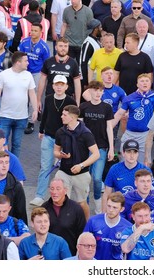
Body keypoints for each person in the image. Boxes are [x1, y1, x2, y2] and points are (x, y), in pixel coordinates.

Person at [30, 75, 76, 207]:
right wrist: (41, 130)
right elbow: (45, 115)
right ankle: (39, 196)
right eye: (57, 84)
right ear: (53, 86)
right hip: (49, 137)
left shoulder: (70, 101)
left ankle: (63, 197)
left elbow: (73, 119)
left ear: (66, 87)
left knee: (63, 169)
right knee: (45, 167)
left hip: (65, 139)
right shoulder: (49, 98)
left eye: (62, 85)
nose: (59, 87)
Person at [53, 105, 100, 220]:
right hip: (64, 171)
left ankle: (86, 224)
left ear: (73, 117)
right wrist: (60, 155)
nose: (61, 117)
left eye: (64, 115)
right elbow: (56, 151)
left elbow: (96, 154)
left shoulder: (86, 133)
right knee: (61, 200)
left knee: (81, 203)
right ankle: (62, 224)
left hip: (81, 173)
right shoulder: (60, 132)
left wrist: (81, 165)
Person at [112, 73, 154, 163]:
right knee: (124, 161)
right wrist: (109, 127)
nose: (144, 83)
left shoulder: (153, 96)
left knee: (143, 162)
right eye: (142, 81)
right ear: (137, 84)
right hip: (129, 134)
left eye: (147, 81)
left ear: (150, 83)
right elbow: (119, 114)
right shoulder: (130, 98)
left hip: (145, 135)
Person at [0, 51, 37, 158]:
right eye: (25, 61)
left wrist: (34, 110)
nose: (28, 63)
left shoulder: (28, 75)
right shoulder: (4, 74)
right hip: (5, 116)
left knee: (17, 145)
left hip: (22, 117)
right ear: (17, 62)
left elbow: (32, 93)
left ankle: (13, 169)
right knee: (1, 144)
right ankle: (0, 166)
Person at [79, 81, 114, 214]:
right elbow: (80, 127)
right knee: (85, 178)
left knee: (97, 178)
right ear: (90, 91)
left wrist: (111, 148)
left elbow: (109, 127)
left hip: (101, 146)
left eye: (100, 90)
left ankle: (98, 200)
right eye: (95, 90)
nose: (98, 93)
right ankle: (85, 204)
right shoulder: (83, 107)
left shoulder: (106, 108)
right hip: (85, 148)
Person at [101, 139, 153, 212]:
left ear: (138, 154)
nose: (132, 155)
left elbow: (152, 194)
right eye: (129, 152)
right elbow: (106, 194)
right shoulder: (114, 169)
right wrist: (104, 215)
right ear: (123, 153)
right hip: (120, 210)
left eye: (135, 152)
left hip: (140, 211)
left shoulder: (145, 170)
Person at [17, 23, 51, 135]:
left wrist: (45, 77)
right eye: (32, 30)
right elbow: (19, 56)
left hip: (37, 73)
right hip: (24, 72)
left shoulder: (44, 47)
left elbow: (47, 63)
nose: (32, 32)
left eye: (36, 30)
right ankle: (24, 116)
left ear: (41, 33)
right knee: (22, 95)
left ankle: (31, 122)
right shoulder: (24, 42)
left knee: (34, 96)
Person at [36, 37, 81, 111]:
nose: (63, 48)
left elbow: (77, 84)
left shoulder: (73, 63)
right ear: (56, 47)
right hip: (51, 98)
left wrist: (77, 103)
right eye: (61, 46)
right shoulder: (48, 61)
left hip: (67, 99)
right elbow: (42, 82)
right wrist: (38, 100)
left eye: (65, 46)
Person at [84, 192, 132, 260]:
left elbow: (130, 252)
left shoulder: (127, 227)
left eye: (115, 207)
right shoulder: (93, 221)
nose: (111, 210)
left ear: (122, 209)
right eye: (109, 206)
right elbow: (83, 244)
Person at [79, 19, 102, 89]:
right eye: (100, 27)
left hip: (95, 79)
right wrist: (86, 82)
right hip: (89, 80)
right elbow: (83, 63)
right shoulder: (88, 43)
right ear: (95, 29)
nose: (101, 29)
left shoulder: (96, 41)